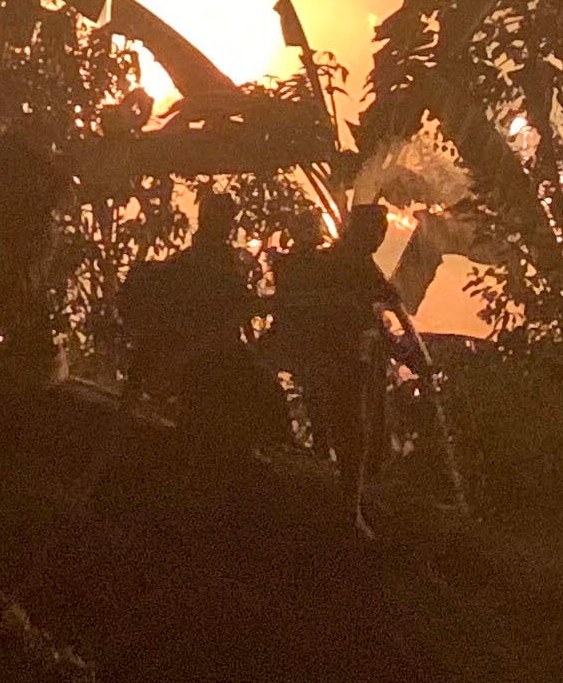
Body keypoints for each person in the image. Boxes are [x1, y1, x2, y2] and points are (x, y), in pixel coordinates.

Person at [270, 202, 403, 531]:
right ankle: (351, 507)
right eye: (375, 232)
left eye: (382, 233)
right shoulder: (348, 262)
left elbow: (386, 296)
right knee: (352, 431)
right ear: (358, 231)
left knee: (353, 428)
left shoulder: (343, 260)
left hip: (334, 358)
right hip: (338, 358)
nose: (378, 239)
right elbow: (388, 296)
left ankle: (352, 500)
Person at [119, 192, 272, 438]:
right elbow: (226, 321)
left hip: (189, 365)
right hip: (204, 367)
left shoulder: (186, 263)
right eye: (225, 220)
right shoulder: (212, 267)